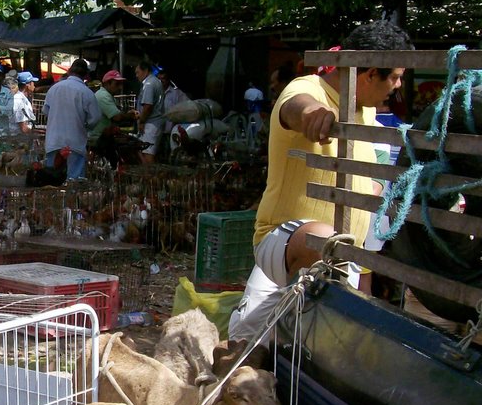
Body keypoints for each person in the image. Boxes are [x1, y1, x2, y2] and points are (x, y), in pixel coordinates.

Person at [228, 19, 412, 343]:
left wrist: (378, 189)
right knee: (327, 241)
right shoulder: (308, 89)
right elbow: (293, 107)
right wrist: (312, 113)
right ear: (370, 75)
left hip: (340, 262)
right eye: (395, 77)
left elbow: (372, 172)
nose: (397, 85)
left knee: (269, 347)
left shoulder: (365, 112)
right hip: (284, 243)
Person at [41, 58, 101, 180]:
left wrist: (57, 119)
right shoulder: (86, 92)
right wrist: (85, 126)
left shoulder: (54, 88)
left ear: (69, 72)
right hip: (75, 143)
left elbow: (45, 111)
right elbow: (95, 118)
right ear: (86, 75)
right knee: (74, 184)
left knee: (51, 183)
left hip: (54, 141)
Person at [135, 59, 165, 164]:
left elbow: (148, 106)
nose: (136, 75)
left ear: (145, 70)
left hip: (151, 123)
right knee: (144, 153)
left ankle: (150, 179)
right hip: (154, 123)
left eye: (138, 72)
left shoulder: (149, 84)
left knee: (147, 154)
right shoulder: (155, 81)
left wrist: (142, 121)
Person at [159, 68, 189, 134]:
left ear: (168, 80)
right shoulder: (154, 93)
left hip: (170, 133)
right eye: (159, 79)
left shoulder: (176, 93)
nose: (160, 81)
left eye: (163, 78)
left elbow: (188, 106)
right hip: (156, 133)